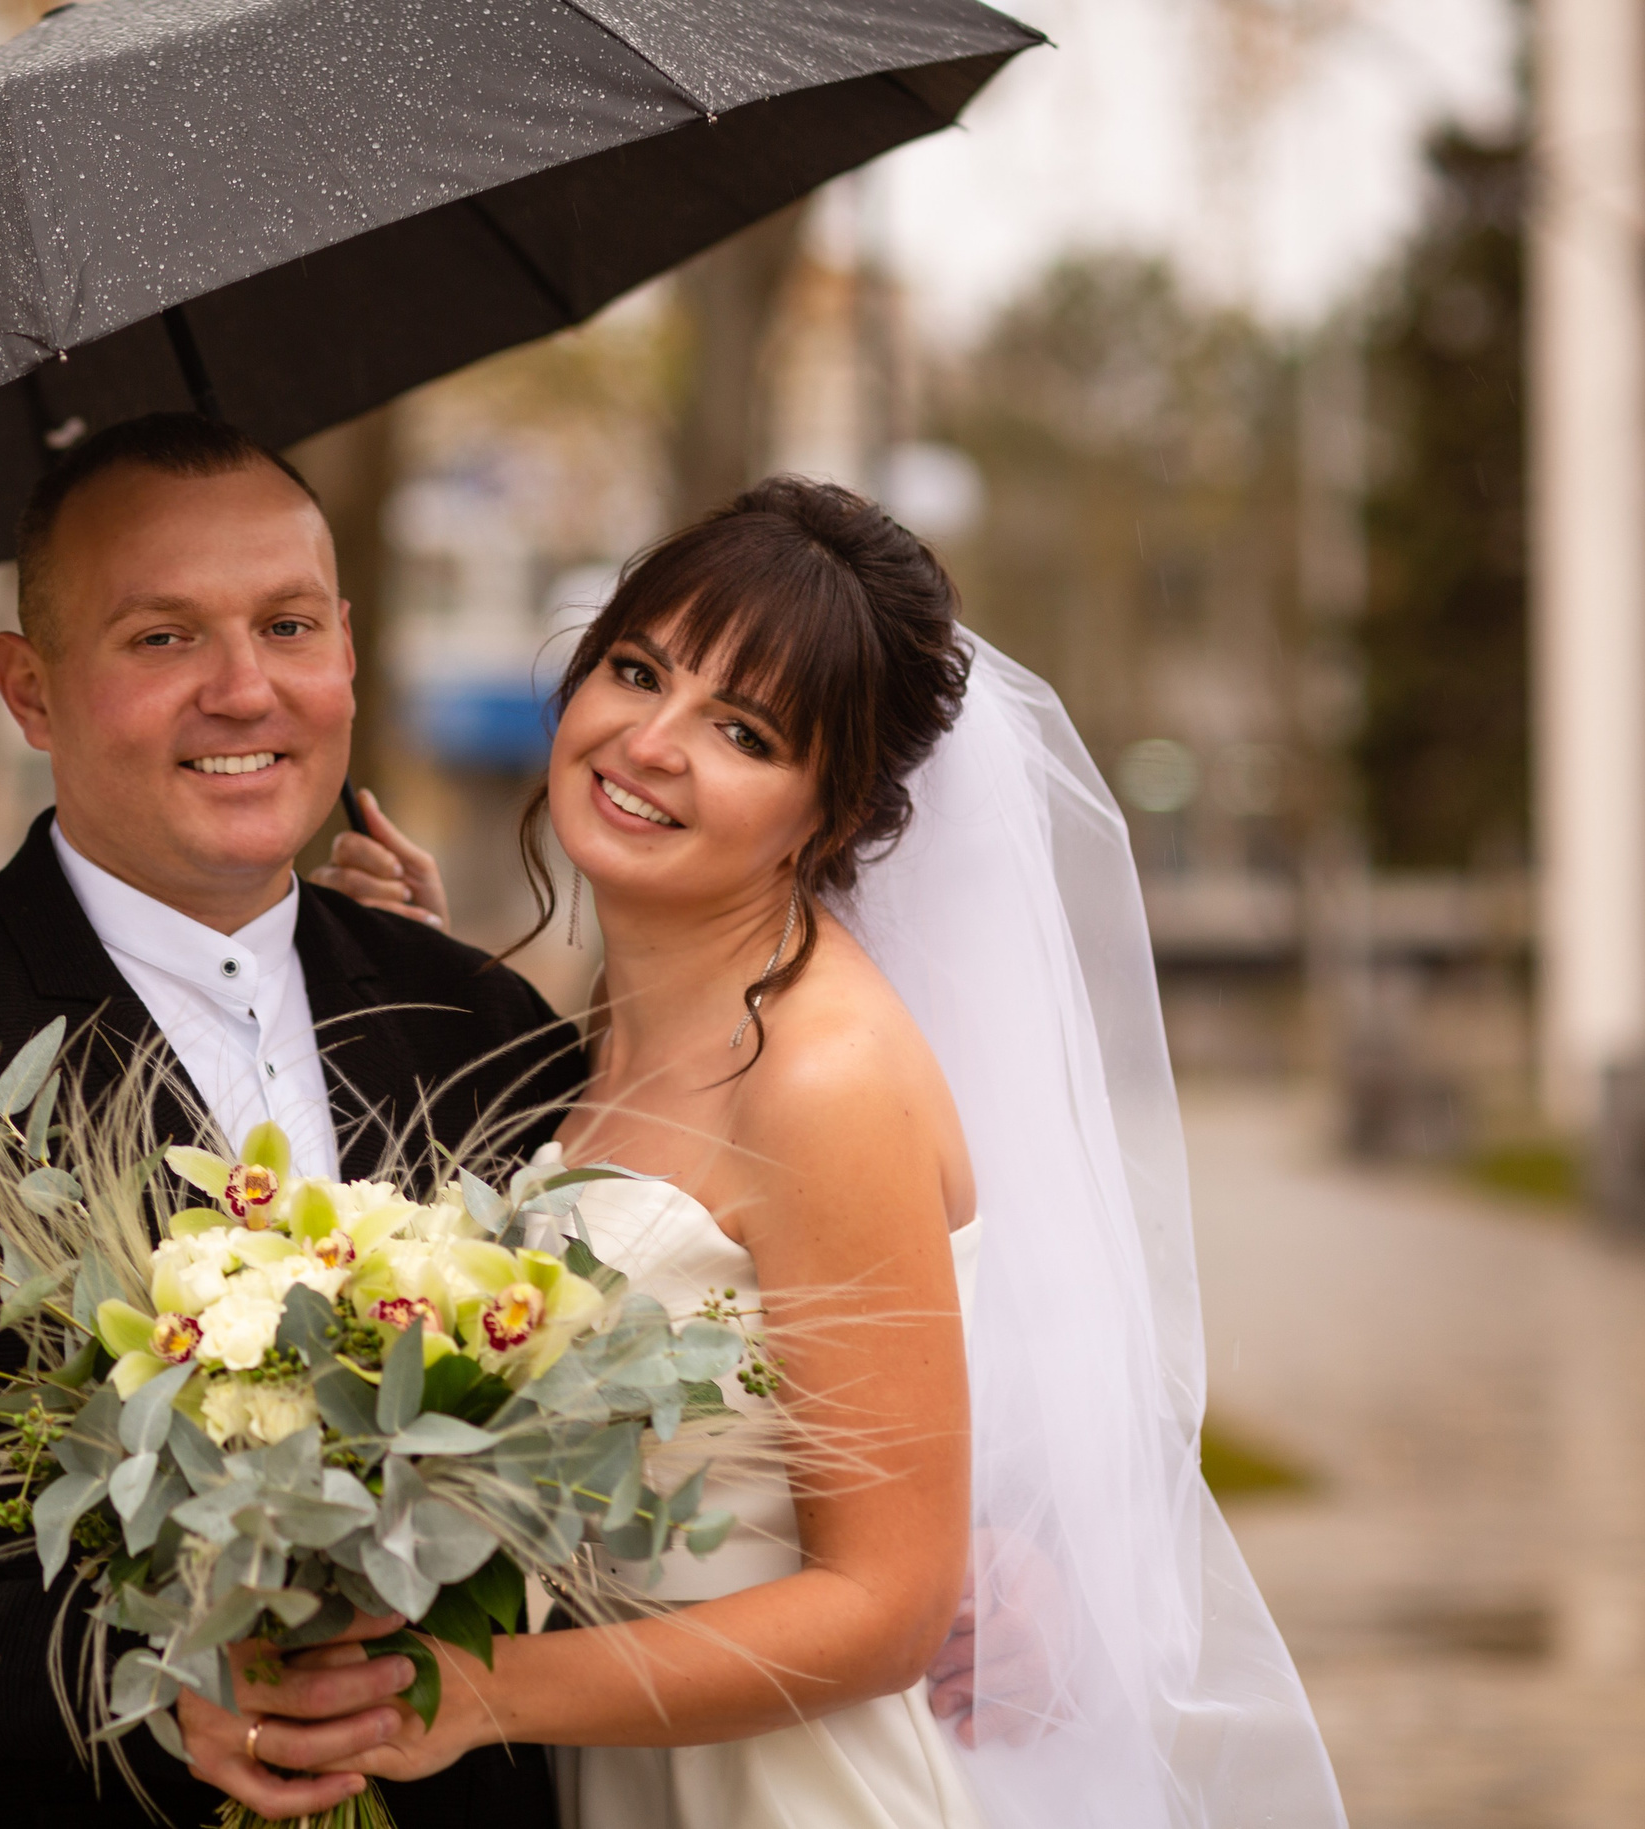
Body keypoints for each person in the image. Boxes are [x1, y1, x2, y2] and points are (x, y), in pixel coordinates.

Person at [289, 478, 1349, 1828]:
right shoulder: (632, 1016)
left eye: (742, 729)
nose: (651, 740)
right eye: (636, 668)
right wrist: (420, 971)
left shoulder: (824, 1076)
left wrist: (480, 1692)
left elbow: (888, 1605)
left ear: (832, 814)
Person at [0, 414, 583, 1829]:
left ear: (350, 648)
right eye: (162, 638)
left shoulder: (482, 1033)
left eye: (288, 623)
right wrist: (122, 1663)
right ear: (30, 688)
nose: (246, 688)